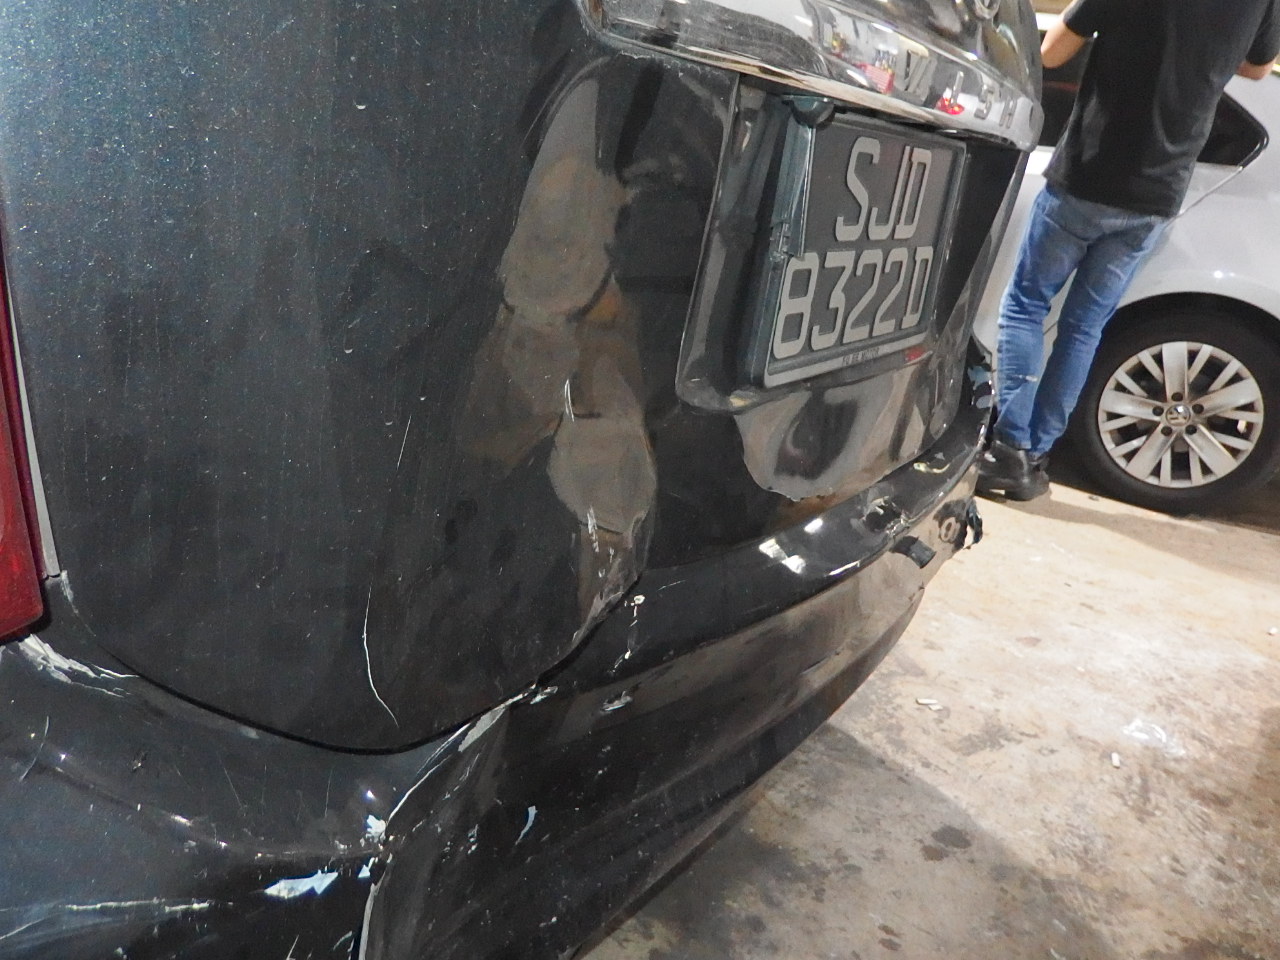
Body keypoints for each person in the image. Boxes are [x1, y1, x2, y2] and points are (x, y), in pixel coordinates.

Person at [978, 0, 1280, 501]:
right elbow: (1257, 67)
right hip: (1159, 194)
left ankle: (1010, 450)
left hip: (1089, 176)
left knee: (1026, 305)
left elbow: (1051, 53)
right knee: (1084, 327)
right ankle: (1036, 454)